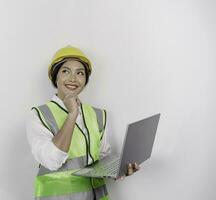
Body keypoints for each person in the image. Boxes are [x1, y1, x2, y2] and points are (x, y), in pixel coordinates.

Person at [26, 45, 139, 200]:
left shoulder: (98, 115)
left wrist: (118, 170)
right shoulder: (39, 115)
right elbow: (51, 161)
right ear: (55, 76)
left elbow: (101, 157)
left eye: (80, 73)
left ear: (85, 79)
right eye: (66, 71)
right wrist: (72, 114)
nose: (73, 78)